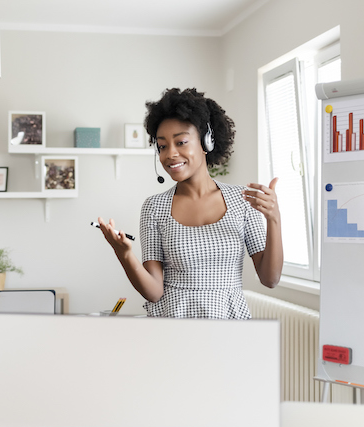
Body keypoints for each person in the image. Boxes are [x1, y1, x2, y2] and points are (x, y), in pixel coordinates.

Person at [97, 88, 282, 319]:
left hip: (229, 325)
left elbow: (270, 279)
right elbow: (154, 292)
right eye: (163, 146)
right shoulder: (155, 207)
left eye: (181, 142)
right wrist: (124, 254)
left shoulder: (242, 200)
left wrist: (274, 219)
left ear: (207, 141)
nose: (170, 154)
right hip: (174, 327)